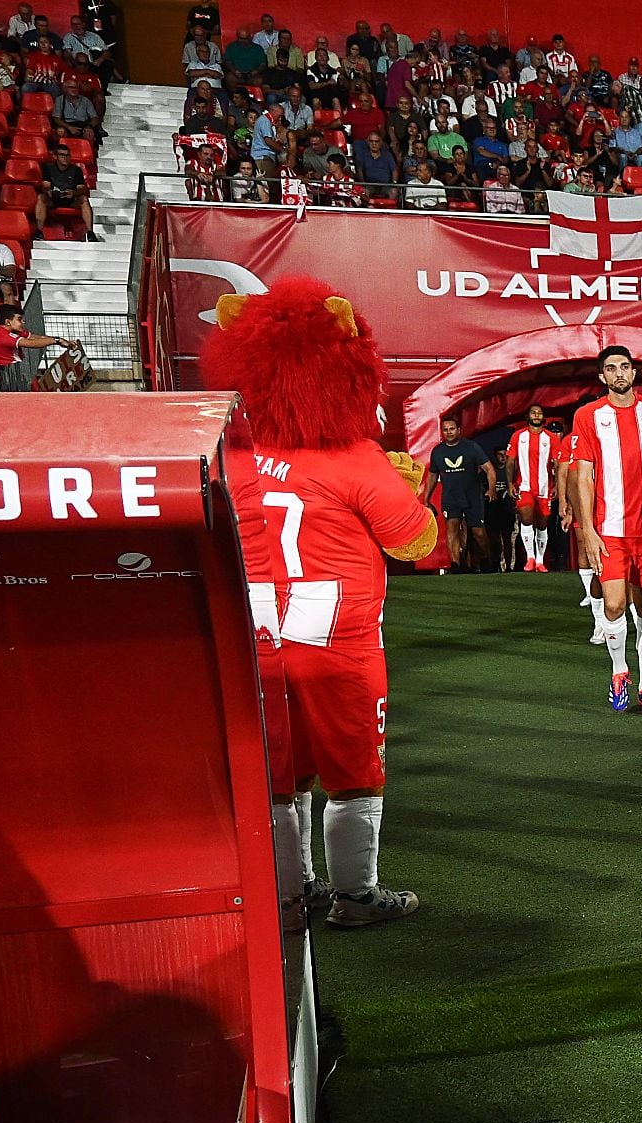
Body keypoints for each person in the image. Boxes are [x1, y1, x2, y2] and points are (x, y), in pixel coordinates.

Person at [208, 279, 438, 928]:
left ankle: (288, 896)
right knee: (355, 769)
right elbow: (415, 540)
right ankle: (356, 896)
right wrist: (407, 485)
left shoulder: (234, 452)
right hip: (337, 634)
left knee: (279, 773)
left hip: (260, 632)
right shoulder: (355, 457)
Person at [572, 346, 642, 715]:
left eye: (625, 367)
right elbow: (584, 476)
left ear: (633, 373)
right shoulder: (589, 416)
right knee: (615, 603)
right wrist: (587, 528)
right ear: (602, 377)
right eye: (611, 369)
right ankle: (620, 671)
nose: (619, 373)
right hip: (610, 529)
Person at [420, 416, 496, 572]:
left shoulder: (471, 447)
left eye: (452, 429)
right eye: (445, 430)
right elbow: (433, 476)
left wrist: (492, 489)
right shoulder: (438, 451)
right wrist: (426, 499)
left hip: (472, 496)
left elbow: (489, 469)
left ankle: (486, 560)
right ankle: (455, 565)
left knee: (479, 533)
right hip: (451, 497)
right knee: (452, 528)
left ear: (459, 430)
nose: (449, 432)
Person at [506, 404, 560, 573]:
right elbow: (510, 462)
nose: (536, 415)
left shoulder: (551, 438)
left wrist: (558, 485)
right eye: (533, 413)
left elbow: (558, 464)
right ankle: (530, 557)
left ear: (543, 417)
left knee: (542, 524)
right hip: (525, 486)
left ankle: (540, 560)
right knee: (526, 518)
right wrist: (509, 483)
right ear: (527, 416)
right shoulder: (518, 436)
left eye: (539, 413)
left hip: (545, 487)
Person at [0, 303, 75, 391]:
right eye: (19, 319)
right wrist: (57, 340)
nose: (23, 322)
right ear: (8, 322)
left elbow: (38, 338)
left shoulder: (9, 330)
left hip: (10, 373)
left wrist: (60, 341)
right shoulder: (3, 335)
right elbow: (33, 344)